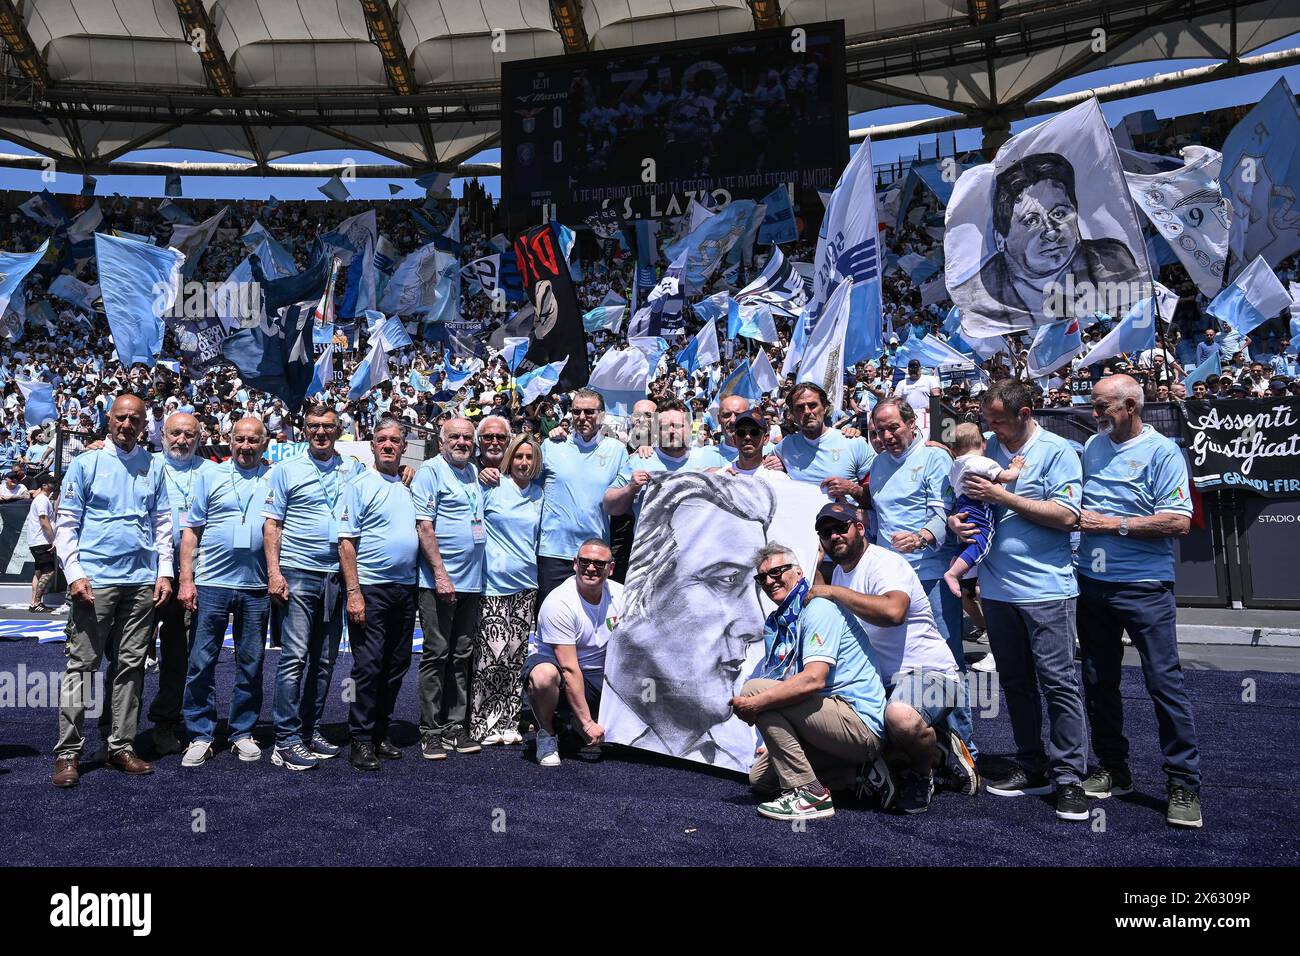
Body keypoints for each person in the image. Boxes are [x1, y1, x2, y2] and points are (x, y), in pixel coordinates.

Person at [950, 378, 1090, 821]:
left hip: (1046, 591)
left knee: (1059, 683)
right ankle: (1033, 766)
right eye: (987, 420)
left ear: (1025, 414)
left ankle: (1069, 778)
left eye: (999, 421)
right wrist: (957, 523)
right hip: (996, 592)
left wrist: (1002, 495)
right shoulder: (988, 449)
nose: (991, 429)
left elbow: (1068, 515)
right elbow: (966, 500)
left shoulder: (1058, 451)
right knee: (1015, 684)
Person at [1076, 374, 1202, 828]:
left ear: (1130, 406)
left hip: (1145, 587)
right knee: (1097, 680)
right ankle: (1114, 768)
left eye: (1102, 407)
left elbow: (1178, 522)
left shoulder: (1163, 452)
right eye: (1093, 406)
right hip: (1092, 585)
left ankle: (1183, 782)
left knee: (1163, 684)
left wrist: (1113, 526)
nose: (1094, 415)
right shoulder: (1092, 447)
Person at [602, 472, 777, 773]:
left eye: (756, 586)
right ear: (646, 589)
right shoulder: (605, 724)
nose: (756, 625)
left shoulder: (740, 750)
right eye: (726, 579)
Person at [813, 502, 977, 813]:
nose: (834, 536)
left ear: (860, 528)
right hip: (879, 683)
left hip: (929, 674)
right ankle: (941, 751)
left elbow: (893, 612)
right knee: (839, 740)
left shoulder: (886, 563)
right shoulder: (836, 575)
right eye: (825, 532)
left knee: (900, 718)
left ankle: (922, 774)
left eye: (841, 528)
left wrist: (834, 593)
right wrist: (818, 571)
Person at [52, 394, 173, 788]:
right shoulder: (86, 463)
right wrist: (74, 575)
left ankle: (120, 746)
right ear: (109, 418)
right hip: (95, 582)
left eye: (134, 419)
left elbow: (163, 525)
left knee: (130, 667)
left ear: (144, 424)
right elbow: (67, 525)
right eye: (121, 417)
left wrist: (164, 573)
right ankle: (68, 753)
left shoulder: (153, 466)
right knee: (81, 668)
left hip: (140, 582)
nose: (126, 424)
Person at [733, 541, 888, 822]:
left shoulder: (817, 609)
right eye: (762, 577)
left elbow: (814, 680)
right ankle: (862, 773)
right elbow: (789, 682)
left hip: (856, 721)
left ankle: (810, 794)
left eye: (777, 572)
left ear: (799, 572)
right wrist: (774, 738)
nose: (769, 581)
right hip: (828, 721)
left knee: (755, 690)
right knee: (762, 781)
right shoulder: (782, 621)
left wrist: (755, 706)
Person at [867, 399, 977, 759]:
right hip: (892, 582)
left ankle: (963, 746)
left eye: (893, 427)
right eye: (880, 430)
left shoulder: (934, 458)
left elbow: (942, 512)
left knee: (945, 659)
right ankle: (919, 741)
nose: (887, 436)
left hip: (929, 575)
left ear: (912, 423)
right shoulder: (878, 464)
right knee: (900, 661)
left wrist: (921, 538)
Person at [263, 403, 365, 771]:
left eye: (327, 426)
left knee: (324, 661)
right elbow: (272, 526)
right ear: (303, 430)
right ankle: (285, 739)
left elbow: (381, 483)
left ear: (340, 430)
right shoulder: (286, 470)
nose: (320, 432)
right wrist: (275, 573)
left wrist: (405, 471)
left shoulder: (352, 469)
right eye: (313, 426)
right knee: (294, 658)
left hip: (335, 575)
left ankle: (311, 728)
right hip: (298, 572)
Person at [951, 152, 1143, 330]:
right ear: (1000, 239)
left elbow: (1138, 315)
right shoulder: (977, 300)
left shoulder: (1112, 261)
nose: (1051, 232)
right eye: (1031, 221)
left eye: (1059, 213)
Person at [177, 417, 273, 767]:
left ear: (265, 443)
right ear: (229, 441)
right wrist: (186, 580)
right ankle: (200, 734)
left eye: (253, 441)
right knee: (201, 662)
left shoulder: (275, 476)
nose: (246, 447)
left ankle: (242, 731)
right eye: (240, 440)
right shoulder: (210, 476)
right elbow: (191, 531)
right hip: (212, 584)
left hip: (256, 587)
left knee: (251, 663)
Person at [338, 417, 420, 771]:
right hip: (370, 588)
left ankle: (381, 731)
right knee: (366, 667)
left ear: (404, 448)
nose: (388, 445)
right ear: (372, 446)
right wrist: (354, 592)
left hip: (405, 588)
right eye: (382, 440)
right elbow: (346, 543)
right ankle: (359, 737)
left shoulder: (407, 485)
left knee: (396, 665)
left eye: (395, 440)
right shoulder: (358, 485)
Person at [411, 416, 486, 759]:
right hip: (439, 581)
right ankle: (431, 729)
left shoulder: (473, 473)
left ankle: (456, 724)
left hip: (471, 582)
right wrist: (440, 575)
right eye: (454, 437)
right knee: (437, 654)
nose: (461, 442)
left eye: (467, 437)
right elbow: (424, 526)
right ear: (441, 441)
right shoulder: (430, 470)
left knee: (461, 655)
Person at [148, 412, 218, 756]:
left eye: (189, 434)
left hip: (192, 577)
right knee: (125, 657)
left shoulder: (212, 472)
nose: (181, 440)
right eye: (175, 433)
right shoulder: (145, 465)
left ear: (199, 437)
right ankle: (115, 730)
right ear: (163, 434)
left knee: (180, 654)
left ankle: (166, 722)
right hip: (145, 575)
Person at [525, 538, 623, 767]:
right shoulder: (559, 602)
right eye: (585, 561)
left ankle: (581, 723)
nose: (591, 568)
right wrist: (588, 722)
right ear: (574, 564)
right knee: (543, 676)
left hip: (603, 677)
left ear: (611, 568)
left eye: (599, 564)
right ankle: (547, 735)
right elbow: (569, 669)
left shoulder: (623, 595)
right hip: (566, 675)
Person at [473, 434, 543, 746]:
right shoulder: (491, 486)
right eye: (518, 457)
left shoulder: (541, 494)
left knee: (515, 659)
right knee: (489, 659)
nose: (524, 463)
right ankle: (482, 723)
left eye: (529, 457)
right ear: (508, 459)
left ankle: (508, 720)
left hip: (526, 585)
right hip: (493, 585)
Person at [537, 389, 630, 602]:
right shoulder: (551, 446)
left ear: (602, 415)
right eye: (576, 412)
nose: (581, 418)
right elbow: (528, 486)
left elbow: (621, 500)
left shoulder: (617, 451)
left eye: (589, 412)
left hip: (593, 555)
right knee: (550, 622)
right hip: (553, 552)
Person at [941, 422, 1026, 597]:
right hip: (978, 506)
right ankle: (954, 573)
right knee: (982, 541)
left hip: (963, 505)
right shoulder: (981, 462)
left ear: (955, 450)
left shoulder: (956, 464)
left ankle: (955, 564)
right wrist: (1016, 466)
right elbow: (1007, 477)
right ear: (983, 444)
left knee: (968, 541)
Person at [774, 382, 873, 505]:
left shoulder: (853, 442)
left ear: (825, 408)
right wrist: (775, 464)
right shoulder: (785, 446)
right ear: (792, 414)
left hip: (844, 522)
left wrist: (852, 489)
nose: (807, 411)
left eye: (812, 405)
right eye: (800, 407)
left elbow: (876, 497)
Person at [24, 477, 57, 613]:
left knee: (39, 572)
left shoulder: (42, 499)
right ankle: (37, 602)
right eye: (53, 483)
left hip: (37, 541)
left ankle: (33, 602)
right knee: (49, 571)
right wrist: (53, 539)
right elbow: (44, 521)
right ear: (44, 485)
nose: (55, 485)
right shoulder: (42, 500)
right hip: (42, 541)